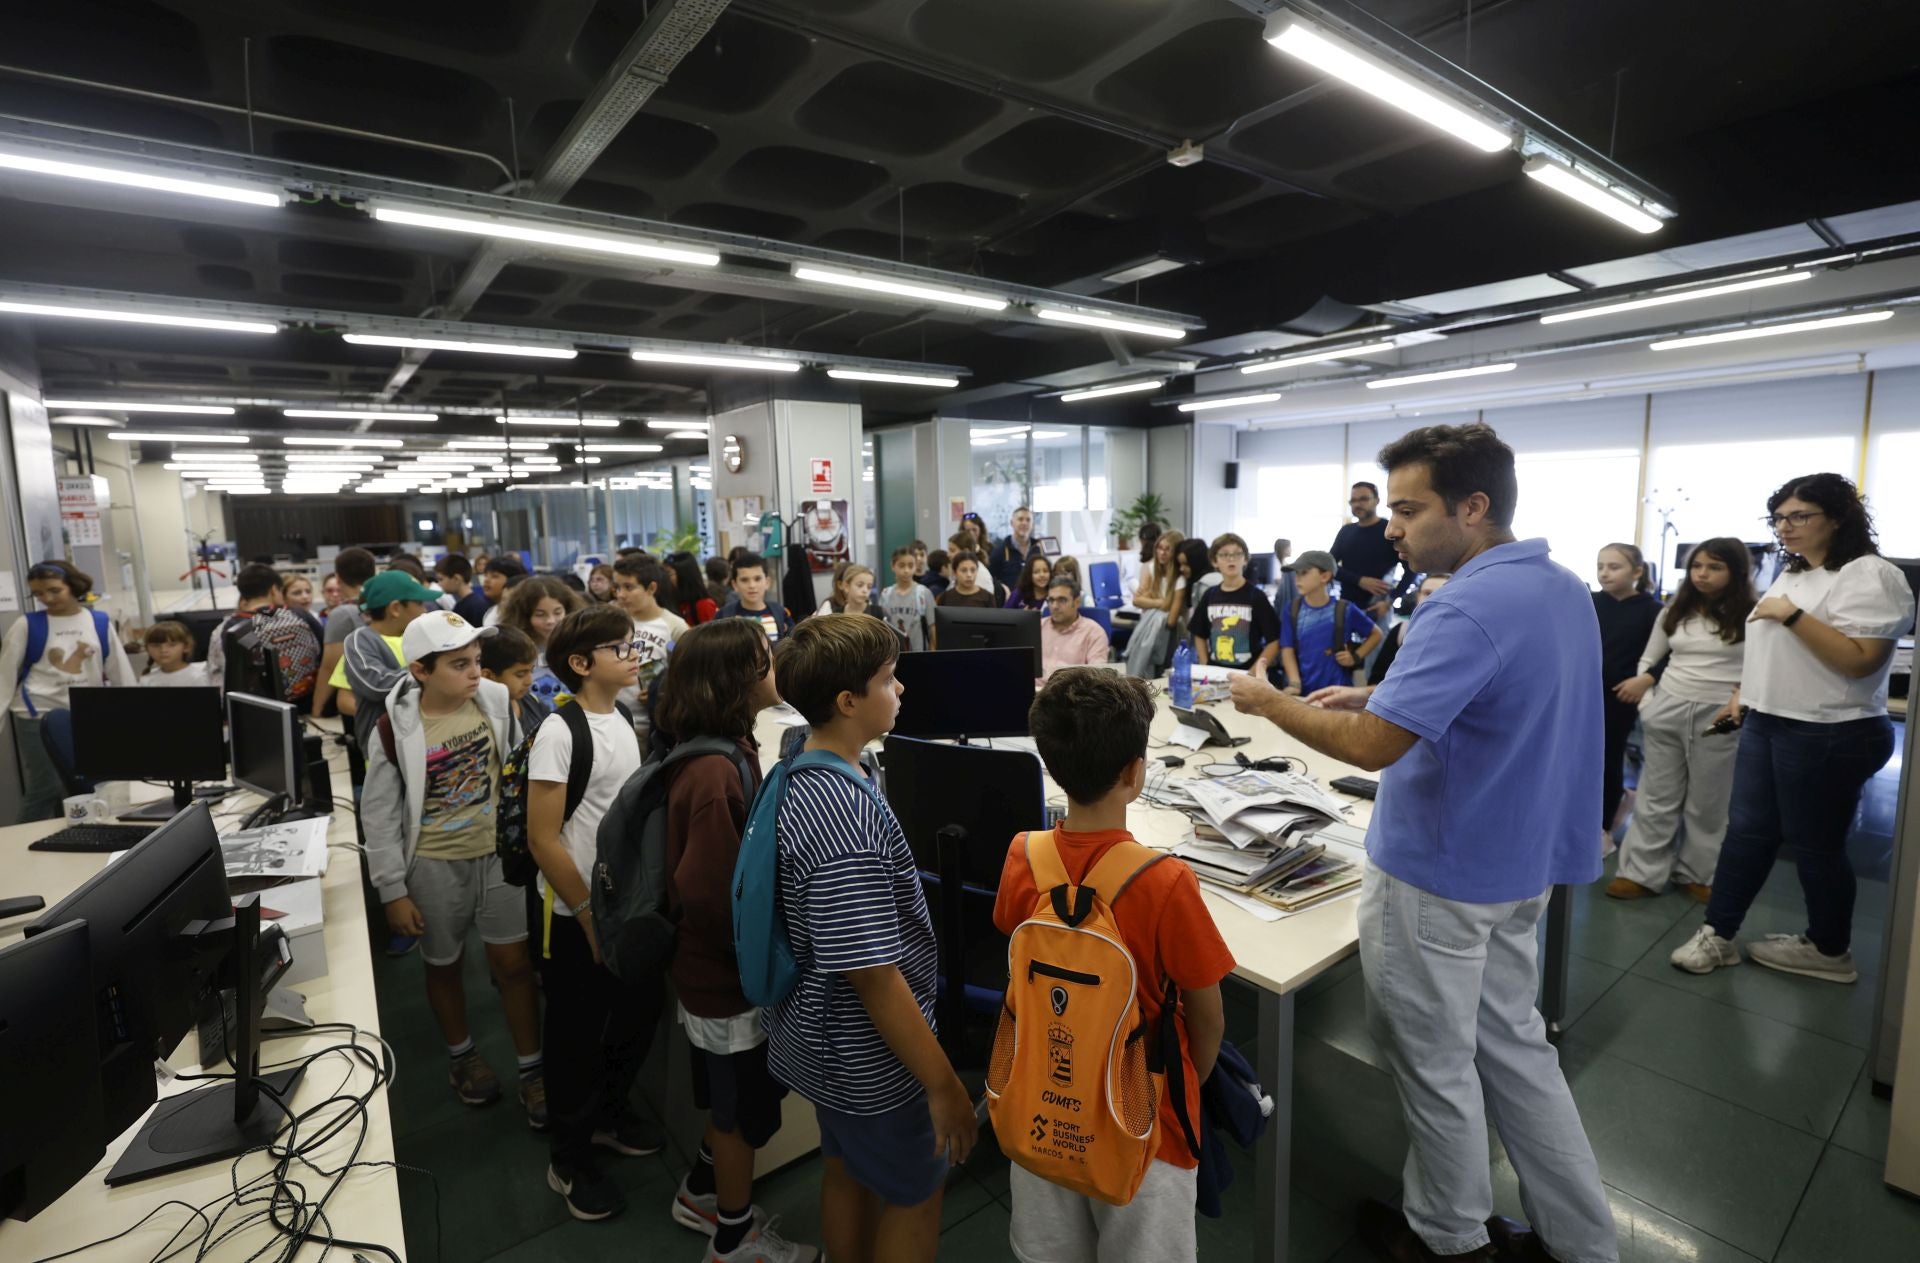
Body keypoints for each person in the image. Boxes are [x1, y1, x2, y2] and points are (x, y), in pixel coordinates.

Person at [1227, 422, 1616, 1263]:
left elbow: (1376, 752)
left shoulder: (1465, 603)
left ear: (1472, 508)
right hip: (1516, 867)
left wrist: (1269, 705)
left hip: (1439, 873)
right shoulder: (1555, 586)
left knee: (1432, 1061)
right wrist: (1376, 692)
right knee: (1516, 1051)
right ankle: (1582, 1243)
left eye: (1408, 509)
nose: (1390, 527)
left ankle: (1448, 1237)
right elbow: (1499, 694)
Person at [996, 668, 1230, 1262]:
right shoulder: (1167, 881)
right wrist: (1178, 1094)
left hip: (1042, 1104)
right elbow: (1208, 1024)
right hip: (1145, 1130)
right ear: (1134, 771)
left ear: (1051, 764)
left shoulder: (1024, 856)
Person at [763, 616, 974, 1263]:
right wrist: (943, 1083)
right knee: (917, 1190)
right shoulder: (845, 822)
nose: (902, 688)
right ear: (848, 702)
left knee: (846, 1165)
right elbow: (873, 975)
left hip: (827, 1040)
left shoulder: (806, 751)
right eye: (887, 678)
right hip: (868, 1055)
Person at [1672, 473, 1915, 984]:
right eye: (1779, 518)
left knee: (1815, 846)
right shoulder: (1797, 572)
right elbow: (1774, 652)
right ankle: (1719, 934)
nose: (1786, 527)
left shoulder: (1868, 574)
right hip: (1770, 719)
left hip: (1829, 730)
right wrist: (1745, 695)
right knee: (1747, 834)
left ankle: (1830, 951)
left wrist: (1792, 616)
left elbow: (1861, 662)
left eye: (1799, 516)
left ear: (1839, 517)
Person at [659, 620, 818, 1263]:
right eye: (764, 661)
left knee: (729, 1094)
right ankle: (732, 1236)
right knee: (736, 1112)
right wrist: (766, 963)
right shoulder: (714, 773)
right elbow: (709, 894)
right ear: (739, 679)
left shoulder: (723, 746)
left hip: (717, 976)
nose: (775, 667)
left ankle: (702, 1191)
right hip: (726, 984)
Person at [362, 611, 546, 1126]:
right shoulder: (394, 728)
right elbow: (377, 814)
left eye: (479, 662)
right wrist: (392, 889)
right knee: (443, 964)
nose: (475, 674)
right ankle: (462, 1055)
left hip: (497, 858)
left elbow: (512, 770)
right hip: (434, 865)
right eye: (460, 664)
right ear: (421, 671)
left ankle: (532, 1070)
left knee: (513, 965)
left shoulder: (492, 701)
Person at [526, 606, 660, 1221]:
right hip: (573, 911)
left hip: (621, 903)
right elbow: (543, 838)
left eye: (632, 645)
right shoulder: (561, 731)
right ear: (580, 665)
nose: (633, 655)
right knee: (574, 1036)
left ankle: (607, 1115)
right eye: (618, 648)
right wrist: (583, 913)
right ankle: (569, 1158)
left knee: (632, 1015)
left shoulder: (626, 716)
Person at [1607, 539, 1754, 902]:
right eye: (1697, 566)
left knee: (1709, 801)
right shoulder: (1675, 609)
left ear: (1735, 571)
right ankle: (1641, 873)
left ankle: (1699, 873)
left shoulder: (1753, 613)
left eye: (1714, 567)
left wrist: (1740, 702)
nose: (1702, 574)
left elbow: (1760, 668)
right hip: (1668, 707)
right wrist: (1649, 706)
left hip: (1719, 713)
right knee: (1657, 796)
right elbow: (1649, 660)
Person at [0, 561, 137, 819]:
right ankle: (18, 848)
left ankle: (83, 837)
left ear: (72, 586)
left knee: (93, 785)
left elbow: (120, 669)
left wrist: (134, 714)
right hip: (37, 714)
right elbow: (4, 675)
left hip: (87, 714)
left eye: (54, 590)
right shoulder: (26, 625)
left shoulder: (98, 621)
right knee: (46, 787)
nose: (46, 599)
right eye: (38, 593)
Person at [1594, 543, 1662, 840]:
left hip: (1621, 697)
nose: (1604, 573)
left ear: (1637, 571)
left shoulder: (1653, 611)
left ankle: (1604, 829)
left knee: (1609, 759)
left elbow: (1668, 654)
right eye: (1600, 567)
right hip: (1585, 693)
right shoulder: (1589, 602)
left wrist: (1645, 679)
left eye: (1614, 567)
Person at [340, 570, 436, 752]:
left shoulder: (419, 636)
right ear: (395, 608)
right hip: (384, 748)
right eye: (419, 603)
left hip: (423, 739)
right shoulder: (360, 641)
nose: (425, 610)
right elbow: (377, 685)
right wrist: (433, 673)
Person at [210, 563, 322, 706]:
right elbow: (325, 652)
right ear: (274, 590)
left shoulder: (229, 629)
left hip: (262, 711)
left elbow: (220, 674)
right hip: (310, 702)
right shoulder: (299, 615)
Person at [1275, 549, 1381, 696]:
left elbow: (1376, 634)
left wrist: (1355, 657)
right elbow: (1287, 648)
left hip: (1339, 692)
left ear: (1325, 576)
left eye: (1304, 572)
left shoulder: (1345, 609)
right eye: (1296, 573)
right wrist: (1294, 683)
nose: (1297, 579)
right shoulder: (1292, 610)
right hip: (1302, 692)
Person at [611, 555, 688, 749]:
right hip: (615, 721)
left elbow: (689, 674)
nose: (621, 594)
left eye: (629, 587)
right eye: (618, 587)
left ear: (651, 588)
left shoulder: (675, 626)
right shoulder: (611, 623)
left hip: (655, 725)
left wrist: (663, 690)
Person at [1186, 533, 1280, 676]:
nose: (1231, 559)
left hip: (1247, 672)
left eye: (1237, 554)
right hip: (1216, 673)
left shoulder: (1256, 596)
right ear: (1214, 561)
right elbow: (1199, 634)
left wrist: (1253, 673)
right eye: (1224, 555)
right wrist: (1205, 664)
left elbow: (1274, 641)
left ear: (1245, 560)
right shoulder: (1210, 595)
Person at [503, 575, 585, 713]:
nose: (551, 621)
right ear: (524, 617)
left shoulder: (580, 645)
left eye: (558, 612)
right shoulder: (513, 650)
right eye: (540, 614)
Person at [314, 546, 377, 718]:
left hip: (355, 701)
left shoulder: (343, 614)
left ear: (338, 578)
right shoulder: (383, 606)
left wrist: (316, 710)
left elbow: (330, 666)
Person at [1332, 480, 1404, 623]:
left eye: (1363, 499)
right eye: (1353, 500)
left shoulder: (1389, 530)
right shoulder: (1346, 531)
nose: (1357, 504)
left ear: (1377, 500)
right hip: (1346, 606)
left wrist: (1390, 600)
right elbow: (1329, 566)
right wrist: (1359, 581)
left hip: (1377, 608)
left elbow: (1411, 570)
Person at [1125, 529, 1187, 678]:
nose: (1162, 553)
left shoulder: (1180, 578)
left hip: (1171, 630)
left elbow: (1171, 619)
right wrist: (1161, 602)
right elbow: (1137, 600)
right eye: (1159, 548)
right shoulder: (1151, 567)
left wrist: (1150, 601)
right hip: (1148, 623)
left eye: (1167, 549)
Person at [1367, 573, 1450, 686]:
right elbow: (1377, 678)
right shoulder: (1402, 630)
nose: (1433, 598)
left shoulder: (1463, 636)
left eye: (1441, 593)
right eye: (1427, 593)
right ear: (1418, 596)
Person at [482, 624, 549, 737]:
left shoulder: (532, 701)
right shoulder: (481, 721)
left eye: (531, 671)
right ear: (488, 676)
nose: (529, 681)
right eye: (520, 674)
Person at [1039, 576, 1109, 678]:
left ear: (1076, 602)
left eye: (1062, 600)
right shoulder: (1038, 627)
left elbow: (1096, 678)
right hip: (1033, 690)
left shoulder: (1094, 633)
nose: (1054, 606)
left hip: (1070, 692)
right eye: (1051, 600)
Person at [716, 553, 794, 644]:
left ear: (767, 582)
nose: (752, 585)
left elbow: (792, 646)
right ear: (735, 585)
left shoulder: (781, 613)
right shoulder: (723, 615)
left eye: (757, 579)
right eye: (744, 580)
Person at [879, 547, 937, 652]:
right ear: (893, 566)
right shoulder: (886, 595)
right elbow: (881, 627)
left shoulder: (924, 593)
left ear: (915, 567)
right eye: (901, 565)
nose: (906, 570)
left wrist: (933, 652)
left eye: (911, 566)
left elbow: (933, 628)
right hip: (893, 654)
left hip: (919, 653)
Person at [141, 621, 210, 687]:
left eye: (172, 645)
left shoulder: (199, 677)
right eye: (156, 645)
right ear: (147, 649)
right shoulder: (146, 680)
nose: (163, 650)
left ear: (186, 647)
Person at [437, 554, 491, 627]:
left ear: (456, 579)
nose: (439, 584)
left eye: (441, 579)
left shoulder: (475, 607)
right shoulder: (465, 605)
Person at [667, 553, 719, 626]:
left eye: (670, 573)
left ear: (683, 575)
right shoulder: (678, 602)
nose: (667, 578)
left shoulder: (704, 605)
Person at [815, 562, 880, 620]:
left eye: (869, 587)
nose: (865, 590)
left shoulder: (877, 612)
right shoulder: (835, 613)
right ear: (846, 586)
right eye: (860, 585)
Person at [482, 554, 529, 627]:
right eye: (485, 575)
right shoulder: (491, 612)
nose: (486, 580)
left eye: (494, 576)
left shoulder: (523, 616)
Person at [282, 574, 325, 640]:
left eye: (308, 591)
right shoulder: (280, 623)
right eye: (297, 593)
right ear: (283, 598)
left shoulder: (317, 617)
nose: (305, 596)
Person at [1270, 537, 1299, 613]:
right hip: (1275, 594)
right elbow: (1277, 580)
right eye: (1289, 547)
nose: (1291, 550)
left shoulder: (1285, 563)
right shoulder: (1275, 561)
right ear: (1284, 549)